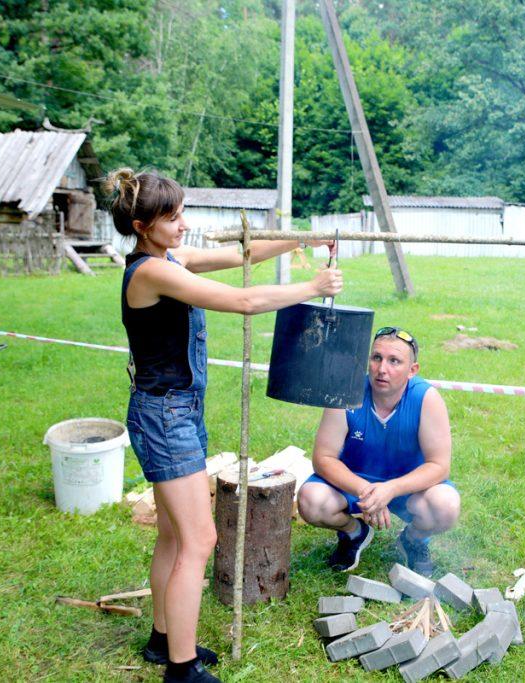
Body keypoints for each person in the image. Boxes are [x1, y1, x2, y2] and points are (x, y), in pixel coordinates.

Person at [109, 168, 341, 683]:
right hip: (164, 415)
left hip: (177, 412)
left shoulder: (170, 259)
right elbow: (243, 300)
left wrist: (300, 239)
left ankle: (163, 640)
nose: (184, 225)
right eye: (173, 218)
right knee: (200, 541)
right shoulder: (151, 273)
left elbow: (243, 255)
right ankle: (182, 669)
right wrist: (312, 285)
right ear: (144, 226)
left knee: (172, 535)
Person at [296, 327, 459, 577]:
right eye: (376, 358)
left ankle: (413, 541)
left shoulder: (427, 398)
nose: (382, 369)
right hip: (354, 485)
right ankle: (354, 532)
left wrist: (391, 489)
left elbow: (439, 465)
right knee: (311, 500)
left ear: (412, 370)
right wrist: (366, 491)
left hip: (407, 488)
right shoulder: (345, 391)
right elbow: (323, 458)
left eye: (394, 361)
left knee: (446, 505)